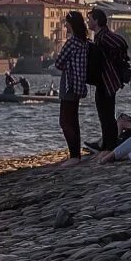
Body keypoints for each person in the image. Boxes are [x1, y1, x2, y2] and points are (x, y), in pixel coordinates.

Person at [87, 8, 131, 158]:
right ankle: (105, 144)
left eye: (90, 19)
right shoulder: (98, 36)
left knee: (106, 113)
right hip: (103, 80)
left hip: (108, 80)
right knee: (103, 112)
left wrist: (116, 59)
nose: (88, 22)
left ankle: (109, 145)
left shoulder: (104, 36)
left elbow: (120, 43)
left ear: (97, 21)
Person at [54, 11, 90, 167]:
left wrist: (66, 65)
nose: (65, 25)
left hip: (69, 85)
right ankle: (76, 154)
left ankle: (74, 156)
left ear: (72, 24)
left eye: (66, 22)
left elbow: (59, 63)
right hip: (79, 85)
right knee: (74, 120)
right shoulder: (84, 42)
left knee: (65, 121)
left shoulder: (72, 42)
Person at [100, 81, 131, 163]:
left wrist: (129, 156)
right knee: (123, 119)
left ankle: (115, 146)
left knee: (122, 122)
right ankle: (113, 150)